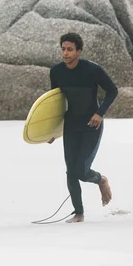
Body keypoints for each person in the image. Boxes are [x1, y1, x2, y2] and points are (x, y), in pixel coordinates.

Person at [48, 32, 118, 223]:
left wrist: (100, 113)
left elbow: (112, 90)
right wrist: (51, 130)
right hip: (70, 125)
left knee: (81, 170)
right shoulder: (56, 72)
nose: (65, 53)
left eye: (70, 49)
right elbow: (55, 103)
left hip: (91, 125)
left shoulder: (92, 70)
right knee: (70, 170)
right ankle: (78, 213)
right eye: (63, 49)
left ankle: (100, 180)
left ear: (79, 51)